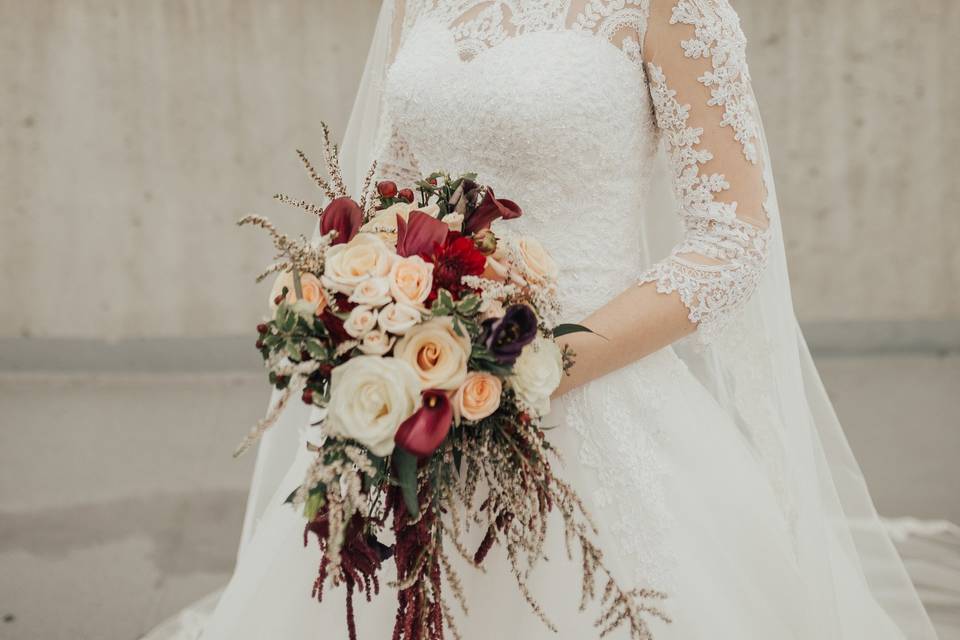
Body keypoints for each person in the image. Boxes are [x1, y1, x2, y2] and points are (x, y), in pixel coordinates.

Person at [154, 2, 940, 638]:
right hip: (416, 387)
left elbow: (734, 236)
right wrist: (370, 307)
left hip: (595, 390)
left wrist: (542, 367)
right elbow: (391, 190)